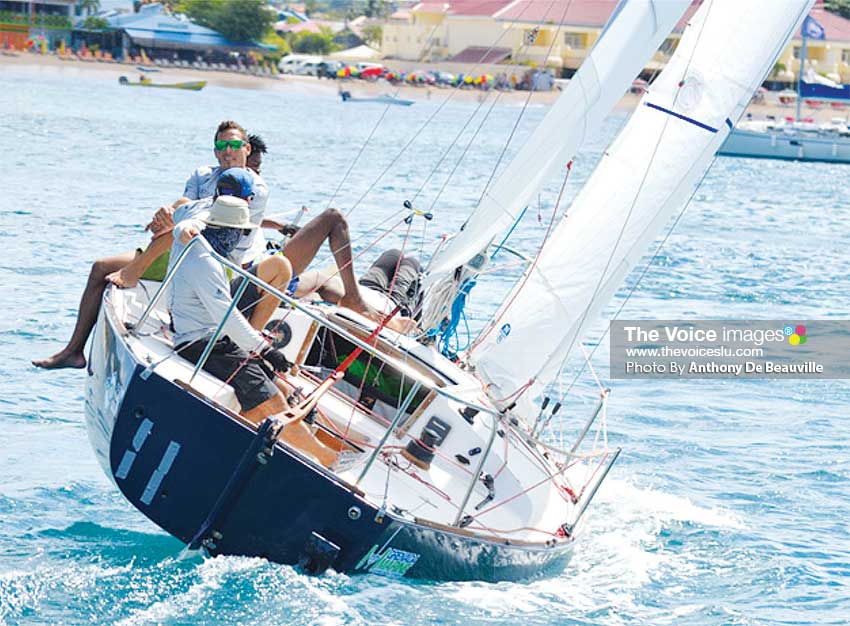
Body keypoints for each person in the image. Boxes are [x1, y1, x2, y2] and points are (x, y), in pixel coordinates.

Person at [168, 195, 337, 467]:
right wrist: (265, 350)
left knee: (280, 389)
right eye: (242, 232)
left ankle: (297, 448)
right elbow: (226, 315)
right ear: (231, 232)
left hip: (215, 339)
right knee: (273, 403)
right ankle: (326, 458)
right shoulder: (204, 261)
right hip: (202, 343)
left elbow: (181, 217)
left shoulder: (196, 239)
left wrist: (182, 227)